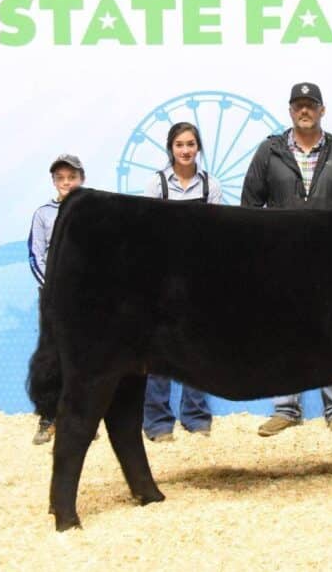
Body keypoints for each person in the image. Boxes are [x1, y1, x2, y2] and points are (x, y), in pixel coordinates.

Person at [241, 81, 332, 436]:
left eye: (311, 104)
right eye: (298, 105)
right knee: (282, 332)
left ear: (322, 110)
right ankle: (285, 409)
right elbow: (250, 206)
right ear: (290, 111)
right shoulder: (270, 151)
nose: (304, 110)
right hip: (281, 261)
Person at [141, 122, 223, 441]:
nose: (186, 150)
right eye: (179, 144)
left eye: (190, 144)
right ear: (170, 149)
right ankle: (158, 422)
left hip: (199, 281)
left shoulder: (210, 186)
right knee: (159, 352)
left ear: (198, 148)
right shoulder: (157, 184)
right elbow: (145, 235)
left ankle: (196, 417)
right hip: (162, 280)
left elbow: (217, 237)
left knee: (197, 351)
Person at [28, 153, 85, 445]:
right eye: (60, 178)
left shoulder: (90, 213)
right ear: (53, 181)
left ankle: (81, 417)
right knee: (52, 356)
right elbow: (35, 255)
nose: (66, 182)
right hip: (52, 296)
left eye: (71, 177)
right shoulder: (43, 214)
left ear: (81, 179)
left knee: (83, 357)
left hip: (84, 297)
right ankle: (48, 417)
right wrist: (51, 288)